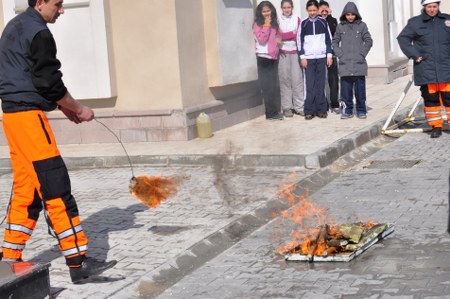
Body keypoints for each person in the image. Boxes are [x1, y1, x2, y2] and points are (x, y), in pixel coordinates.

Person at [0, 0, 117, 283]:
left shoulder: (15, 26)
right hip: (29, 119)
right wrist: (77, 108)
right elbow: (50, 83)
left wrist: (62, 105)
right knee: (55, 186)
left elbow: (34, 79)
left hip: (12, 116)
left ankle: (8, 259)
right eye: (58, 4)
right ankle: (78, 263)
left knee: (27, 189)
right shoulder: (39, 33)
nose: (61, 10)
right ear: (40, 3)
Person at [397, 0, 450, 138]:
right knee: (431, 99)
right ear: (424, 7)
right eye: (429, 7)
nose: (432, 9)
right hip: (426, 68)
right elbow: (403, 39)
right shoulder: (415, 22)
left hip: (447, 67)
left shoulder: (447, 20)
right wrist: (415, 55)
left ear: (438, 6)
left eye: (434, 6)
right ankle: (436, 126)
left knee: (449, 98)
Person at [332, 2, 373, 119]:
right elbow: (334, 42)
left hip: (358, 64)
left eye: (352, 14)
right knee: (345, 91)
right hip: (345, 65)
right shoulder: (340, 26)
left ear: (356, 15)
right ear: (344, 15)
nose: (350, 17)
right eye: (348, 14)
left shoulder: (362, 26)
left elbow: (369, 41)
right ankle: (347, 110)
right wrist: (340, 54)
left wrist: (362, 54)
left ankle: (361, 110)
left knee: (360, 91)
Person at [297, 0, 333, 120]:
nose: (312, 12)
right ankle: (309, 110)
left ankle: (321, 109)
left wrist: (329, 55)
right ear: (307, 10)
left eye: (314, 10)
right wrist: (302, 56)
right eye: (310, 10)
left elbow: (329, 40)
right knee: (309, 84)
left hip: (321, 57)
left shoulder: (323, 22)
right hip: (309, 59)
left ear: (318, 10)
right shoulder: (303, 24)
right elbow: (299, 41)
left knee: (321, 83)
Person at [253, 1, 283, 120]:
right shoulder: (257, 24)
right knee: (267, 87)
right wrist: (266, 25)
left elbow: (278, 34)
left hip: (273, 57)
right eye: (264, 11)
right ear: (260, 12)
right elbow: (261, 40)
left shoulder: (275, 23)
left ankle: (274, 111)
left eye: (268, 11)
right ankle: (270, 113)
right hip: (263, 57)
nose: (266, 13)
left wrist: (278, 41)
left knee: (274, 86)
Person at [278, 0, 304, 118]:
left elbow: (298, 34)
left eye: (289, 7)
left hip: (295, 52)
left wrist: (286, 35)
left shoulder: (297, 19)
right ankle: (287, 107)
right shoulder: (277, 20)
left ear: (292, 7)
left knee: (297, 79)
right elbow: (277, 36)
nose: (287, 9)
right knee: (285, 79)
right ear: (281, 8)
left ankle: (299, 107)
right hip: (282, 53)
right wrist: (290, 34)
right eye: (284, 7)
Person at [319, 1, 340, 114]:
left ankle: (334, 103)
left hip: (332, 53)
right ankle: (323, 102)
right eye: (321, 10)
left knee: (333, 79)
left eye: (326, 10)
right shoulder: (316, 21)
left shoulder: (333, 21)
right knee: (321, 79)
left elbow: (335, 36)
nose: (324, 12)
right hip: (320, 54)